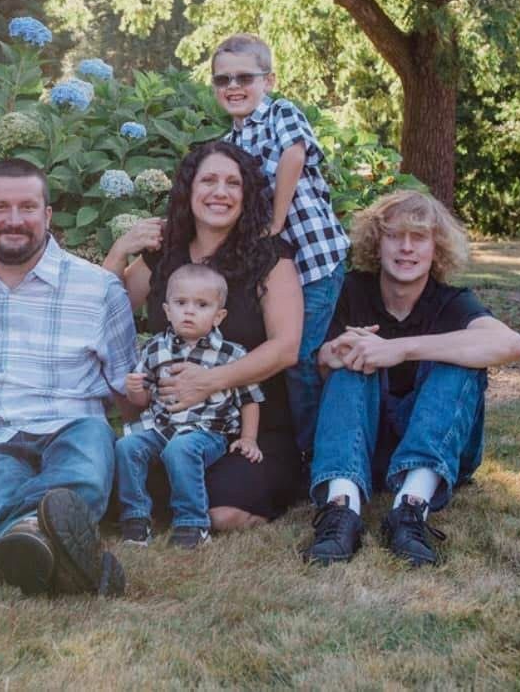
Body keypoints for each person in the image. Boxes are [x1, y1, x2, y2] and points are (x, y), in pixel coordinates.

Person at [0, 158, 137, 597]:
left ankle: (16, 539)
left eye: (27, 207)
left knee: (85, 471)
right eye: (0, 207)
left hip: (71, 424)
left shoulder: (98, 289)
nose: (13, 220)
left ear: (47, 215)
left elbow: (126, 387)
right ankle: (68, 558)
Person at [304, 190, 520, 566]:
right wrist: (334, 353)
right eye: (395, 235)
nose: (406, 248)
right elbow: (319, 367)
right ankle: (342, 508)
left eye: (419, 237)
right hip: (362, 443)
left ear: (435, 248)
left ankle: (411, 508)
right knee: (353, 360)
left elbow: (512, 344)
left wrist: (402, 348)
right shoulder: (352, 289)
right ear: (378, 242)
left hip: (440, 446)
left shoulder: (450, 301)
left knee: (457, 360)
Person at [104, 141, 304, 531]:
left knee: (221, 515)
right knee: (113, 489)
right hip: (169, 422)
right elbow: (113, 309)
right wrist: (119, 252)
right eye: (208, 180)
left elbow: (286, 348)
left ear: (246, 195)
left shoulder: (269, 257)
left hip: (245, 424)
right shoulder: (165, 253)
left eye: (233, 183)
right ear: (189, 190)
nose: (220, 192)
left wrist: (207, 382)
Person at [212, 33, 349, 457]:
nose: (233, 87)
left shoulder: (280, 114)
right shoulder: (231, 144)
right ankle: (284, 444)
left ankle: (314, 455)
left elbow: (294, 156)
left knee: (300, 358)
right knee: (274, 354)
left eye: (244, 77)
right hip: (276, 270)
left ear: (268, 80)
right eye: (222, 80)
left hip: (315, 259)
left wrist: (275, 220)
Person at [115, 263, 264, 549]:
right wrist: (135, 391)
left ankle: (192, 523)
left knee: (180, 449)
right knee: (127, 446)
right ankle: (135, 518)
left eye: (202, 304)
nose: (189, 311)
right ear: (167, 310)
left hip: (207, 431)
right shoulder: (154, 348)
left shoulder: (231, 354)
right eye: (181, 303)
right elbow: (144, 399)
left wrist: (249, 438)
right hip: (161, 427)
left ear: (218, 316)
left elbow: (250, 398)